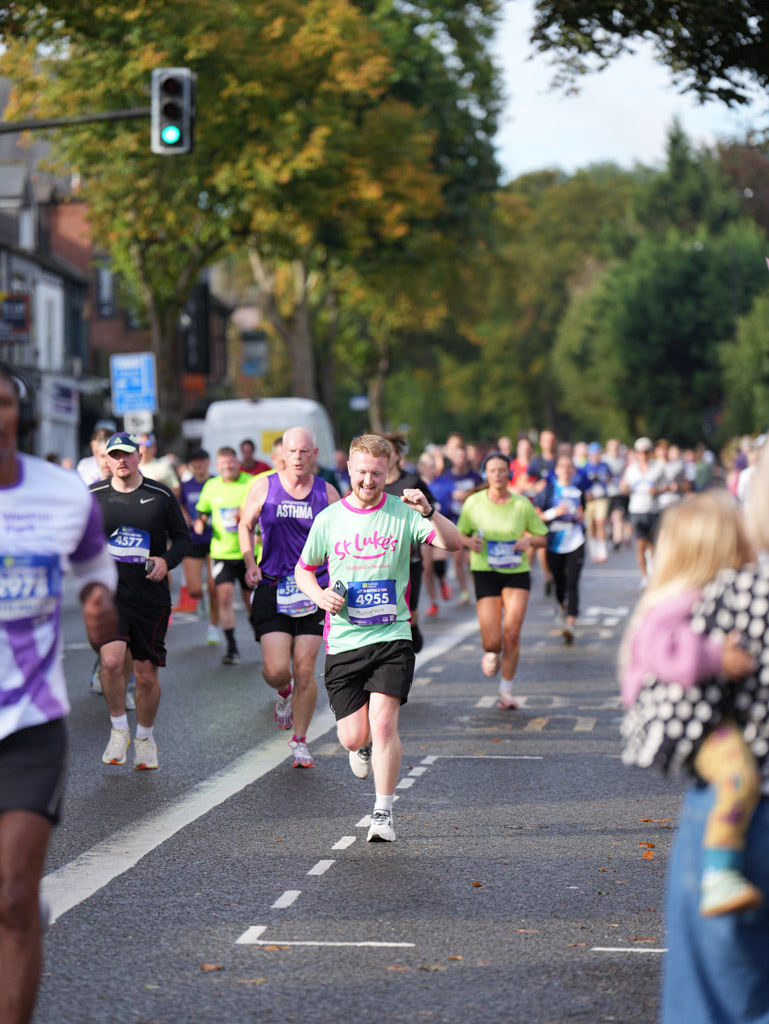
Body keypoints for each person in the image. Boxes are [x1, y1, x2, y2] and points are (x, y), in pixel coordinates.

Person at [0, 364, 118, 1024]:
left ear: (21, 414)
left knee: (14, 896)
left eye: (2, 403)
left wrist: (99, 604)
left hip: (27, 720)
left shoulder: (60, 495)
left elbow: (93, 566)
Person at [294, 434, 461, 842]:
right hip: (345, 641)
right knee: (353, 734)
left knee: (384, 724)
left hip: (392, 636)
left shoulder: (405, 513)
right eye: (362, 473)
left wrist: (430, 512)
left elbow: (453, 543)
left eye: (377, 474)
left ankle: (383, 813)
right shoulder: (330, 518)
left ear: (389, 473)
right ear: (349, 470)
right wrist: (319, 595)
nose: (369, 481)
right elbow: (304, 569)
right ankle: (360, 745)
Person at [620, 491, 761, 917]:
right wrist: (718, 657)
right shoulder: (679, 600)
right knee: (738, 777)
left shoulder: (690, 594)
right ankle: (719, 871)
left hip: (695, 711)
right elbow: (664, 655)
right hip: (674, 715)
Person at [238, 427, 340, 767]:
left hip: (314, 588)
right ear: (281, 454)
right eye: (291, 451)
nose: (297, 458)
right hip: (273, 585)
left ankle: (299, 740)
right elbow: (245, 524)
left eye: (304, 452)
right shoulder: (264, 486)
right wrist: (250, 561)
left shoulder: (327, 493)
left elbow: (344, 538)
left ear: (314, 455)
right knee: (276, 670)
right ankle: (283, 694)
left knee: (305, 669)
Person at [90, 432, 191, 769]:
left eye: (127, 455)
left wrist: (166, 561)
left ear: (139, 458)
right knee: (113, 662)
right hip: (110, 596)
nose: (121, 461)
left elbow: (182, 538)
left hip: (150, 597)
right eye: (114, 455)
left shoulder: (159, 494)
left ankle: (145, 738)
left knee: (147, 676)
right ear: (106, 460)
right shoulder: (93, 496)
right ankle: (119, 729)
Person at [456, 451, 548, 708]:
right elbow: (457, 534)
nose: (497, 474)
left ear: (509, 473)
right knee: (492, 640)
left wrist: (529, 540)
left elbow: (543, 536)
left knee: (513, 633)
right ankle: (491, 652)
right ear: (486, 474)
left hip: (516, 571)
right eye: (492, 470)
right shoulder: (474, 502)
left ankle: (506, 691)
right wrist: (469, 541)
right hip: (485, 571)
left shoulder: (521, 504)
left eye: (502, 470)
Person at [193, 447, 255, 665]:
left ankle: (261, 631)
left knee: (251, 602)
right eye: (223, 464)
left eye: (231, 462)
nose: (228, 467)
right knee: (225, 597)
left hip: (249, 552)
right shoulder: (211, 486)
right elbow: (202, 511)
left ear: (237, 462)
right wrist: (199, 522)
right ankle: (232, 647)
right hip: (221, 552)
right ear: (217, 466)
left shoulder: (251, 483)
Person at [383, 434, 436, 653]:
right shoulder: (370, 484)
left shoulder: (411, 482)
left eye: (389, 452)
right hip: (379, 558)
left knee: (410, 610)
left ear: (398, 456)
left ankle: (413, 629)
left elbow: (431, 507)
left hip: (409, 557)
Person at [538, 453, 587, 644]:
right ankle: (561, 605)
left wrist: (581, 518)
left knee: (573, 583)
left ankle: (571, 624)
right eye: (562, 466)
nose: (566, 470)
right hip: (554, 543)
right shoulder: (549, 491)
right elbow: (538, 515)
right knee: (560, 582)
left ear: (573, 471)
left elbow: (583, 514)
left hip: (575, 541)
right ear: (556, 470)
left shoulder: (578, 492)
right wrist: (555, 513)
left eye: (569, 467)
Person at [430, 436, 483, 604]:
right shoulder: (446, 478)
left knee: (470, 560)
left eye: (463, 456)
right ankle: (465, 590)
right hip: (454, 520)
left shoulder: (475, 477)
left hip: (472, 521)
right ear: (452, 458)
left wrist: (469, 494)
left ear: (467, 457)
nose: (460, 459)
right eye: (457, 456)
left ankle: (477, 586)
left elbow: (483, 492)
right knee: (459, 559)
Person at [179, 447, 221, 645]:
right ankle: (201, 598)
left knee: (216, 589)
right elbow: (177, 504)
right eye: (195, 460)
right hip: (193, 539)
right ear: (191, 464)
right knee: (194, 589)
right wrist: (183, 514)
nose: (199, 464)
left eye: (203, 460)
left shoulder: (216, 482)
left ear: (208, 462)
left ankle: (213, 628)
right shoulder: (185, 486)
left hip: (216, 539)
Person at [621, 436, 663, 588]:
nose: (643, 455)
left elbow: (667, 486)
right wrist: (624, 489)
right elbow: (623, 487)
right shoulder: (631, 469)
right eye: (640, 452)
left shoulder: (657, 468)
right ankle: (645, 576)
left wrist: (657, 490)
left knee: (653, 545)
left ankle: (654, 571)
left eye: (646, 452)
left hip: (652, 510)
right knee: (640, 544)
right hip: (636, 509)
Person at [527, 429, 558, 595]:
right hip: (539, 508)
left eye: (552, 440)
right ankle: (541, 576)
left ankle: (551, 575)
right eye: (546, 440)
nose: (549, 443)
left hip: (557, 507)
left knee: (550, 544)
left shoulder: (559, 460)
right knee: (538, 542)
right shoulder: (536, 462)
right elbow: (523, 480)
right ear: (541, 442)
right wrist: (534, 487)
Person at [575, 442, 612, 563]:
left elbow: (610, 478)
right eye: (593, 454)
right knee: (590, 526)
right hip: (589, 500)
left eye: (597, 454)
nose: (596, 456)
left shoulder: (605, 466)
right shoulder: (584, 467)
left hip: (601, 498)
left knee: (600, 523)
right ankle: (594, 549)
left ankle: (602, 550)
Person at [137, 432, 181, 497]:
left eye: (148, 444)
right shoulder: (132, 467)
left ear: (154, 447)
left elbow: (177, 492)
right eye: (141, 444)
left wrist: (161, 486)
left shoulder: (163, 466)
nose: (144, 448)